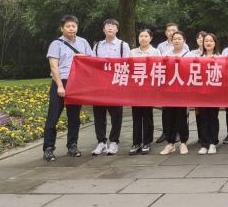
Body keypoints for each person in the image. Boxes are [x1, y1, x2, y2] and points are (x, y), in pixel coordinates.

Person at [42, 15, 93, 161]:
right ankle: (48, 149)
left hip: (76, 84)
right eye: (68, 26)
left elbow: (91, 61)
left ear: (77, 27)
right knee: (53, 117)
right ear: (62, 28)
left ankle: (72, 146)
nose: (71, 29)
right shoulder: (56, 44)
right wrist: (59, 86)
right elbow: (54, 66)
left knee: (74, 117)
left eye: (74, 26)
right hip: (60, 82)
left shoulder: (83, 42)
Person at [91, 18, 130, 156]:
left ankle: (114, 142)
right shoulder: (97, 46)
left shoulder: (123, 45)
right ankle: (101, 142)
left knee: (116, 115)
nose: (110, 27)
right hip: (99, 85)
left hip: (115, 85)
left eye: (113, 26)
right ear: (103, 29)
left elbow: (127, 65)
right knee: (99, 115)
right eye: (107, 25)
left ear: (117, 29)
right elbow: (92, 64)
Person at [156, 23, 189, 144]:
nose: (176, 40)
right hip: (168, 85)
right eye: (169, 31)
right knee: (167, 112)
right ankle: (167, 135)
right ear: (166, 33)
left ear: (184, 40)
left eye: (179, 38)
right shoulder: (163, 49)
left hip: (182, 85)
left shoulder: (187, 51)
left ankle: (181, 137)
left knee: (181, 113)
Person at [129, 29, 160, 155]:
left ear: (150, 38)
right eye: (141, 36)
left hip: (148, 88)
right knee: (136, 116)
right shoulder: (132, 52)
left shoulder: (155, 52)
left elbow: (158, 69)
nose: (143, 38)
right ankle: (136, 142)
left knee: (147, 116)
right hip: (136, 88)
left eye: (146, 36)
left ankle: (147, 142)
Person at [195, 33, 221, 154]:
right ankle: (204, 143)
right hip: (201, 93)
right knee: (203, 117)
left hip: (215, 93)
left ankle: (213, 142)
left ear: (215, 43)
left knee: (213, 117)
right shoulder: (197, 58)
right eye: (206, 41)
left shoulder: (220, 57)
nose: (208, 43)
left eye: (211, 41)